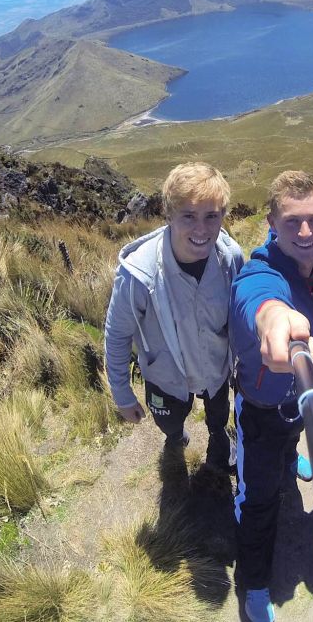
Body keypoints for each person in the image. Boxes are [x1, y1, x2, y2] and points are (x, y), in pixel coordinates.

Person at [229, 170, 313, 622]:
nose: (305, 232)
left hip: (299, 398)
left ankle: (291, 458)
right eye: (292, 222)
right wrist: (274, 318)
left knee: (291, 442)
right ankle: (253, 584)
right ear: (271, 222)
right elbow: (256, 297)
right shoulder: (261, 270)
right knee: (257, 500)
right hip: (258, 408)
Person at [104, 162, 244, 473]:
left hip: (215, 369)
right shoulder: (138, 275)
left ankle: (218, 437)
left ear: (223, 215)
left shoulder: (231, 258)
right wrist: (123, 394)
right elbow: (117, 335)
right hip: (165, 378)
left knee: (218, 414)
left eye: (212, 216)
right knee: (169, 422)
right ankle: (176, 436)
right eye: (188, 216)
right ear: (169, 216)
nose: (201, 230)